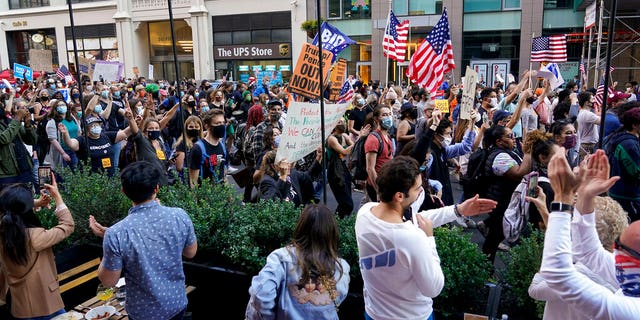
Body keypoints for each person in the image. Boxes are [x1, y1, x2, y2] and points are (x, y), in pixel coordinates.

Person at [355, 156, 497, 320]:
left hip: (374, 312)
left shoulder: (365, 212)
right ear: (400, 196)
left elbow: (416, 219)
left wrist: (457, 210)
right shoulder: (413, 238)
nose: (421, 192)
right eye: (417, 189)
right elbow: (434, 288)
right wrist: (429, 239)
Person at [537, 149, 640, 319]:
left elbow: (558, 274)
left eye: (622, 248)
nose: (615, 252)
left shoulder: (631, 312)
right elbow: (588, 253)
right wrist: (586, 195)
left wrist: (563, 198)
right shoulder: (634, 274)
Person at [95, 161, 197, 320]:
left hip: (144, 313)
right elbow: (191, 252)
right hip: (177, 303)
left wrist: (109, 245)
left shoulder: (117, 234)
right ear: (156, 188)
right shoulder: (179, 216)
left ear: (123, 191)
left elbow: (108, 281)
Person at [245, 204, 350, 320]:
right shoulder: (342, 268)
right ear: (332, 233)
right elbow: (339, 298)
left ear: (301, 227)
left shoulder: (281, 258)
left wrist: (269, 317)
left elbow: (261, 294)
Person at [0, 175, 74, 319]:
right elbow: (67, 225)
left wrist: (34, 203)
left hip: (20, 306)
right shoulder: (36, 237)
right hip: (46, 305)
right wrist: (57, 196)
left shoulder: (3, 233)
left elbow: (8, 209)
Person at [480, 125, 532, 263]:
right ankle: (485, 272)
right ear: (499, 141)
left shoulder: (507, 152)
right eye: (510, 137)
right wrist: (527, 152)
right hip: (501, 202)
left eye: (514, 135)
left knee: (494, 237)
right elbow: (520, 174)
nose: (514, 139)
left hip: (503, 201)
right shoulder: (500, 156)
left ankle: (485, 270)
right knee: (494, 239)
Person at [604, 107, 640, 222]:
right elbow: (636, 171)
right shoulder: (629, 144)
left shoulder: (628, 140)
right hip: (627, 196)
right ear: (634, 125)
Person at [257, 150, 322, 208]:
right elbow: (272, 202)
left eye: (287, 162)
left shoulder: (292, 173)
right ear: (274, 166)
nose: (288, 165)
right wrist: (282, 177)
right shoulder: (266, 181)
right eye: (283, 163)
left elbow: (308, 176)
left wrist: (318, 157)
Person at [188, 109, 228, 188]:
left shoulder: (222, 146)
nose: (222, 125)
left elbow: (224, 174)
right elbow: (193, 181)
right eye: (218, 123)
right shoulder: (198, 149)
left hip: (220, 196)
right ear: (207, 126)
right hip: (205, 197)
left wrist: (229, 196)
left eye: (223, 123)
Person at [0, 107, 37, 191]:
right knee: (9, 201)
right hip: (6, 174)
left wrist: (28, 125)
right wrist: (17, 119)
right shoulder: (14, 121)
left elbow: (31, 140)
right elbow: (3, 139)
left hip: (23, 168)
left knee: (28, 199)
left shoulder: (9, 121)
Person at [576, 91, 600, 161]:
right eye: (592, 99)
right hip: (588, 146)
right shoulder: (587, 114)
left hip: (586, 145)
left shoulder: (584, 112)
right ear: (587, 103)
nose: (594, 101)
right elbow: (603, 121)